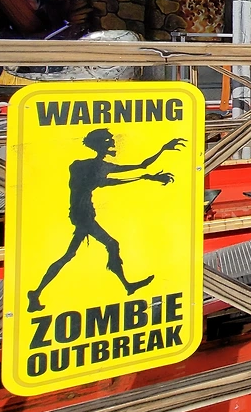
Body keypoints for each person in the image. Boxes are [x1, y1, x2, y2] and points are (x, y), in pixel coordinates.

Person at [27, 128, 185, 313]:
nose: (113, 142)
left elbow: (141, 166)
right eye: (109, 140)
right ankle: (126, 285)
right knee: (106, 246)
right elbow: (116, 178)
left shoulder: (91, 166)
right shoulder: (86, 166)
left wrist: (162, 151)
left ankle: (36, 293)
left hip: (82, 214)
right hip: (83, 216)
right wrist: (146, 177)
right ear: (100, 144)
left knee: (76, 253)